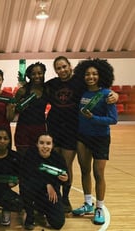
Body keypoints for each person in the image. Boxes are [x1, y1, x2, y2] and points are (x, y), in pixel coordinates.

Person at [46, 56, 119, 213]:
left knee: (69, 167)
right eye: (58, 68)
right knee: (60, 166)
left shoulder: (80, 84)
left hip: (74, 131)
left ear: (70, 66)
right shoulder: (54, 84)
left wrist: (115, 95)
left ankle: (68, 199)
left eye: (64, 66)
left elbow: (103, 94)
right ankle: (60, 199)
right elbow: (36, 88)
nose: (62, 70)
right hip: (59, 130)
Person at [71, 58, 118, 225]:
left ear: (101, 75)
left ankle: (99, 207)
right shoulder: (82, 93)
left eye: (94, 74)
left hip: (100, 138)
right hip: (83, 137)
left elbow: (113, 119)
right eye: (87, 74)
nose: (90, 77)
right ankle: (87, 203)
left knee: (98, 174)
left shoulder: (106, 94)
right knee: (84, 171)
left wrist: (94, 118)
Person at [19, 133, 68, 230]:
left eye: (48, 143)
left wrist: (65, 179)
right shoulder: (30, 155)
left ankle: (41, 208)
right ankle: (30, 215)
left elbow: (65, 180)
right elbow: (26, 176)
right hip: (32, 190)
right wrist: (47, 184)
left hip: (50, 193)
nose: (45, 146)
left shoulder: (58, 158)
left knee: (58, 224)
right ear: (37, 144)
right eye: (41, 143)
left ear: (52, 145)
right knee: (26, 186)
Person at [14, 63, 48, 155]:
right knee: (22, 160)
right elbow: (13, 110)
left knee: (38, 160)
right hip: (23, 130)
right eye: (33, 74)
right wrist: (19, 107)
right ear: (29, 76)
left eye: (40, 73)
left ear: (44, 73)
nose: (37, 76)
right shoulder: (22, 91)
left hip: (40, 129)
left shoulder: (47, 90)